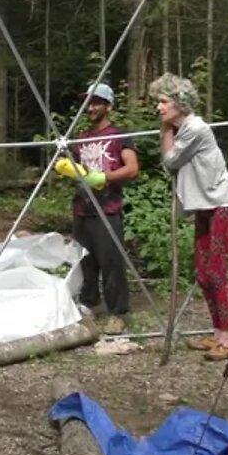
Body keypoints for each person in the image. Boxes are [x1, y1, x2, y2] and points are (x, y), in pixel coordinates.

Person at [152, 73, 228, 361]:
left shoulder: (195, 128)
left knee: (215, 271)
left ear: (180, 103)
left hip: (221, 205)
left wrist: (165, 130)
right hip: (204, 206)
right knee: (203, 275)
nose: (159, 108)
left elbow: (170, 161)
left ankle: (227, 340)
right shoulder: (184, 130)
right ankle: (217, 334)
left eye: (164, 102)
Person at [65, 82, 139, 334]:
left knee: (111, 262)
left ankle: (118, 312)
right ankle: (88, 302)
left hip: (107, 207)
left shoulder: (119, 135)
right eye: (88, 102)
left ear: (108, 105)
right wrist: (66, 168)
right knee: (85, 260)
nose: (91, 107)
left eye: (96, 102)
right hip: (82, 208)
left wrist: (105, 178)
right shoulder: (82, 138)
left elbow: (132, 169)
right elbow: (76, 168)